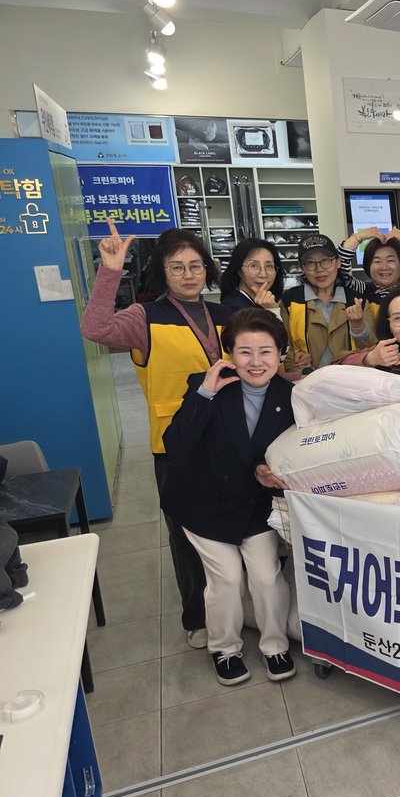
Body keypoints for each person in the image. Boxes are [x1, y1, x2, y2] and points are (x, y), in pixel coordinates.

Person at [82, 223, 236, 649]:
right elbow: (96, 329)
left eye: (196, 265)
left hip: (229, 438)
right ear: (162, 272)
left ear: (208, 269)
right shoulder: (144, 317)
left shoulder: (224, 315)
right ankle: (196, 616)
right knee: (185, 534)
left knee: (231, 524)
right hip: (176, 445)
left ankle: (235, 606)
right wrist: (110, 271)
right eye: (176, 267)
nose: (188, 274)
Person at [161, 308, 297, 686]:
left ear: (280, 353)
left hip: (254, 502)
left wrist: (267, 470)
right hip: (203, 502)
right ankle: (225, 648)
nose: (256, 362)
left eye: (266, 351)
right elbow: (175, 444)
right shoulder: (207, 386)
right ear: (229, 355)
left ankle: (275, 645)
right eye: (244, 352)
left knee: (266, 575)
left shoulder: (291, 396)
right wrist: (205, 393)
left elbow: (289, 451)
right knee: (228, 577)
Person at [281, 237, 375, 371]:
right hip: (306, 380)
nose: (319, 269)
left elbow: (372, 351)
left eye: (325, 261)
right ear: (302, 267)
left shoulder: (356, 300)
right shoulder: (290, 301)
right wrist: (297, 362)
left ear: (338, 262)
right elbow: (282, 347)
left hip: (350, 379)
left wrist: (358, 328)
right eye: (310, 263)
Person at [335, 227, 400, 300]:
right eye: (377, 261)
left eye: (390, 260)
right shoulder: (362, 291)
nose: (384, 267)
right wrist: (358, 237)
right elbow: (337, 271)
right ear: (368, 266)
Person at [219, 238, 284, 315]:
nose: (263, 274)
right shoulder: (235, 309)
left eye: (269, 266)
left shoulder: (264, 302)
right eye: (253, 266)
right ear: (238, 270)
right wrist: (273, 311)